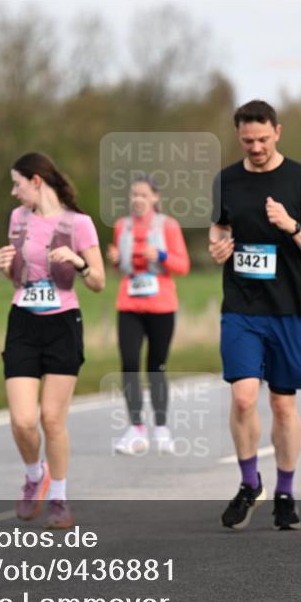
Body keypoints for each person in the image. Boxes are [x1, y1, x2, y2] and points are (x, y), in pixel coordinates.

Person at [209, 100, 301, 531]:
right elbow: (220, 228)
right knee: (242, 397)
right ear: (238, 136)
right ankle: (248, 483)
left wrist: (291, 226)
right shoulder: (226, 181)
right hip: (241, 306)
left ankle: (285, 492)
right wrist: (218, 245)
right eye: (247, 141)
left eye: (262, 139)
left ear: (277, 131)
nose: (256, 147)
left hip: (288, 309)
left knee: (282, 405)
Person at [0, 152, 104, 529]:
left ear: (36, 181)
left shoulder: (79, 224)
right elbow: (18, 279)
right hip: (23, 322)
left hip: (63, 325)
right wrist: (6, 264)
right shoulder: (18, 219)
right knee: (24, 420)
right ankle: (33, 475)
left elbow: (98, 281)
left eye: (17, 183)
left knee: (51, 419)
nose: (13, 192)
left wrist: (78, 261)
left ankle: (58, 496)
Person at [106, 176, 190, 455]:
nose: (137, 200)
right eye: (133, 195)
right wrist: (117, 261)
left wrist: (162, 255)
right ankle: (136, 428)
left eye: (143, 195)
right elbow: (123, 269)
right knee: (129, 362)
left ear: (155, 198)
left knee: (157, 366)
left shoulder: (169, 226)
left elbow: (183, 266)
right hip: (129, 304)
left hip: (161, 305)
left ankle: (162, 427)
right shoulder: (122, 226)